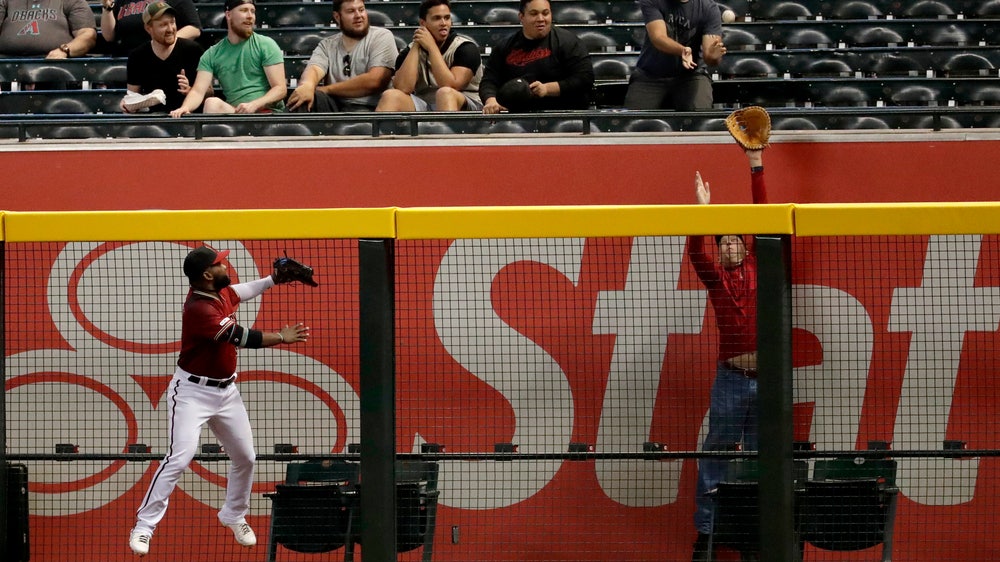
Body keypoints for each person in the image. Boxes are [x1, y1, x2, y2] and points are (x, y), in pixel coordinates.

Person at [128, 245, 311, 557]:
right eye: (220, 263)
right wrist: (281, 337)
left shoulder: (220, 291)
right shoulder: (199, 309)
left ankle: (233, 514)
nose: (226, 265)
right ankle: (144, 526)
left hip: (226, 393)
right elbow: (242, 337)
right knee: (178, 459)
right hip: (191, 394)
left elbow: (240, 291)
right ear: (207, 275)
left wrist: (271, 280)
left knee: (246, 457)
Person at [687, 147, 767, 562]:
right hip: (731, 381)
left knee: (760, 461)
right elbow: (696, 250)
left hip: (770, 382)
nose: (731, 245)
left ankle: (752, 534)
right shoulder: (715, 279)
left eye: (737, 239)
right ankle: (706, 533)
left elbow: (765, 216)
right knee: (716, 453)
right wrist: (704, 211)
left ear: (747, 246)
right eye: (724, 242)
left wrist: (756, 166)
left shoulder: (765, 268)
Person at [170, 0, 286, 117]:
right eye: (244, 10)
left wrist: (254, 104)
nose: (250, 16)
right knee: (211, 103)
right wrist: (185, 107)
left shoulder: (266, 44)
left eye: (253, 11)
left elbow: (280, 89)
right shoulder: (212, 54)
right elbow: (198, 91)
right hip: (236, 114)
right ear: (228, 15)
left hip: (267, 114)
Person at [479, 0, 593, 114]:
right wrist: (491, 101)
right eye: (534, 14)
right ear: (521, 17)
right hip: (518, 117)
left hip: (564, 114)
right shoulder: (505, 47)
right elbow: (489, 81)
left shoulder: (569, 42)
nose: (541, 19)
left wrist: (547, 89)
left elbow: (584, 79)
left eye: (545, 13)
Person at [286, 0, 397, 112]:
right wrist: (307, 86)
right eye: (351, 11)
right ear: (337, 16)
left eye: (361, 10)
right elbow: (314, 69)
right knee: (302, 98)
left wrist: (326, 89)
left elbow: (375, 81)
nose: (358, 16)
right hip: (335, 106)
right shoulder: (327, 45)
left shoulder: (381, 36)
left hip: (372, 108)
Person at [374, 0, 481, 112]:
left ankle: (445, 129)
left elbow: (451, 85)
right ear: (423, 23)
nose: (444, 23)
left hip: (466, 105)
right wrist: (416, 46)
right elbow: (403, 87)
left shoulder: (465, 48)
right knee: (390, 96)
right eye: (437, 18)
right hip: (425, 104)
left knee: (445, 93)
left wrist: (432, 47)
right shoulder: (408, 52)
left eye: (447, 18)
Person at [624, 0, 727, 111]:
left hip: (691, 75)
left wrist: (712, 57)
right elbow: (658, 38)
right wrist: (682, 50)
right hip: (650, 75)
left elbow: (710, 56)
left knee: (699, 119)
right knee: (633, 123)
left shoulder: (708, 8)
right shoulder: (652, 1)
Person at [121, 1, 205, 113]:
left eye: (172, 22)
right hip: (155, 122)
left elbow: (209, 92)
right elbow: (132, 97)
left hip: (190, 118)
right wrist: (128, 105)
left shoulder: (193, 50)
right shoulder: (137, 56)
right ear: (148, 28)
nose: (170, 29)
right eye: (163, 25)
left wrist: (190, 90)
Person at [101, 0, 201, 56]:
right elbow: (109, 36)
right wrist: (107, 9)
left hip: (164, 55)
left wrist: (161, 43)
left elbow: (194, 28)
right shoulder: (122, 1)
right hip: (128, 56)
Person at [0, 0, 96, 58]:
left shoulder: (71, 1)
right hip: (6, 63)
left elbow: (87, 35)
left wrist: (64, 50)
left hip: (55, 65)